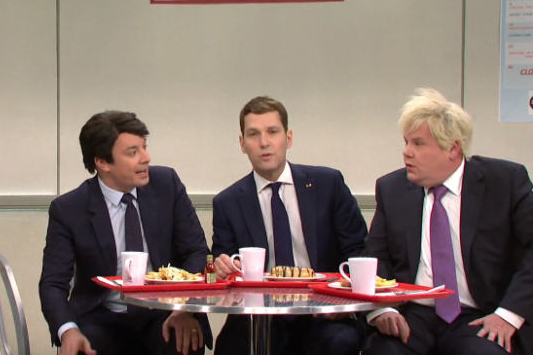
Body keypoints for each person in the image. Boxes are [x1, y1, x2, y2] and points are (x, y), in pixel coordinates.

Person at [361, 88, 533, 355]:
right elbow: (376, 256)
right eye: (406, 142)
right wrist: (382, 310)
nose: (407, 152)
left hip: (479, 314)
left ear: (453, 148)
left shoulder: (504, 182)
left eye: (418, 144)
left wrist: (508, 315)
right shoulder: (391, 189)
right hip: (412, 312)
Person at [39, 110, 212, 355]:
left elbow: (197, 251)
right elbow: (53, 283)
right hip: (103, 315)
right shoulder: (69, 209)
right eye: (133, 152)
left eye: (144, 147)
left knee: (183, 340)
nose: (146, 158)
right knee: (86, 346)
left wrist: (184, 308)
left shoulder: (167, 184)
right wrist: (67, 330)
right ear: (102, 162)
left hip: (165, 311)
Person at [211, 96, 368, 355]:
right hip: (260, 314)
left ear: (289, 138)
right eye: (253, 134)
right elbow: (224, 266)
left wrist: (344, 302)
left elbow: (359, 250)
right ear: (242, 144)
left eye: (272, 132)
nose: (264, 142)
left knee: (337, 343)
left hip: (324, 310)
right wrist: (224, 267)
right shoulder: (228, 202)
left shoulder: (328, 184)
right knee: (231, 347)